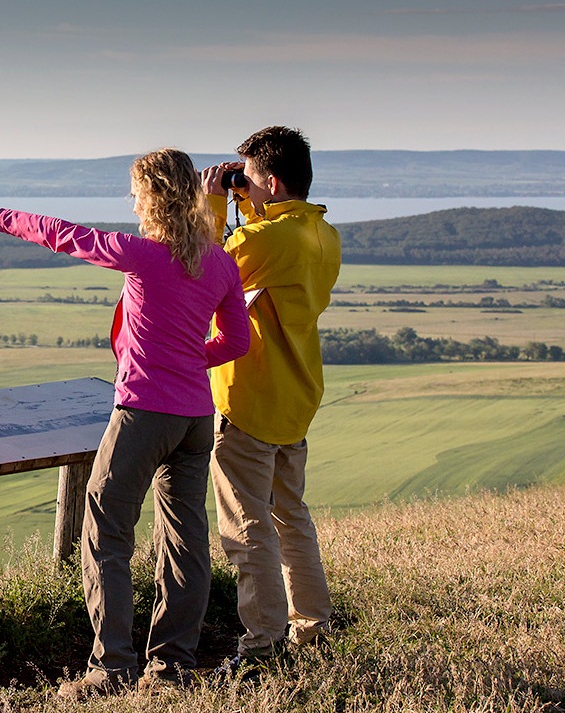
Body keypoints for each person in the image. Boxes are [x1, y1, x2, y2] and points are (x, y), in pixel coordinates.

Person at [0, 148, 250, 698]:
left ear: (150, 198)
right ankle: (172, 668)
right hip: (195, 417)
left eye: (136, 193)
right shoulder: (219, 261)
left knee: (105, 530)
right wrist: (191, 360)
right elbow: (237, 341)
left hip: (144, 413)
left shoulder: (144, 255)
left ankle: (112, 669)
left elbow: (64, 233)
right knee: (186, 540)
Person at [201, 126, 341, 673]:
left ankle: (262, 648)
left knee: (247, 528)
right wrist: (247, 203)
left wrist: (213, 208)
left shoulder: (267, 240)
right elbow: (266, 252)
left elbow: (201, 272)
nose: (244, 187)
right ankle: (314, 629)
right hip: (295, 395)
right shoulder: (320, 234)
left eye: (251, 178)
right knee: (290, 516)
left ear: (272, 181)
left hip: (250, 398)